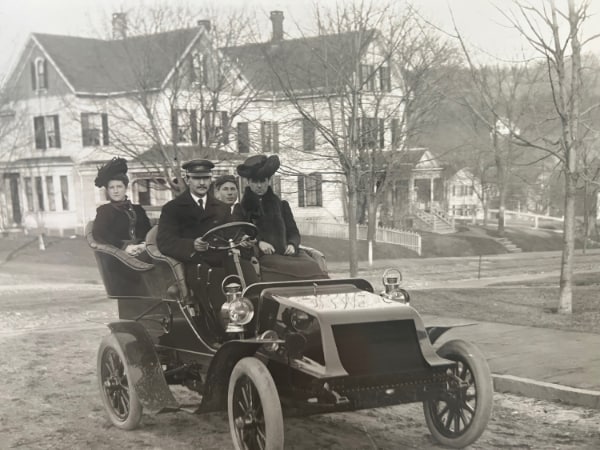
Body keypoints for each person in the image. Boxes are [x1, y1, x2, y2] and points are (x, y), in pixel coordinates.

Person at [156, 159, 259, 325]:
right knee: (217, 286)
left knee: (250, 279)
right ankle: (225, 332)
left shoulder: (221, 207)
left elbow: (232, 236)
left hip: (224, 260)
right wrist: (192, 245)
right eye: (197, 178)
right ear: (187, 179)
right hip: (196, 264)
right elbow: (165, 241)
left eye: (205, 178)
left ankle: (257, 325)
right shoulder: (173, 208)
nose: (202, 182)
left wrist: (244, 242)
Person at [236, 154, 328, 281]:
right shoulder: (241, 208)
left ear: (268, 181)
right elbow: (241, 234)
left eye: (262, 181)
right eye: (255, 182)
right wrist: (259, 242)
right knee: (285, 271)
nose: (259, 186)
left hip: (289, 253)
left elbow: (294, 232)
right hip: (265, 256)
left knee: (312, 266)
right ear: (248, 182)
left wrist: (292, 244)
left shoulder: (281, 205)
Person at [92, 157, 151, 257]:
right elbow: (100, 233)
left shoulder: (138, 209)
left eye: (119, 186)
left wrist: (143, 245)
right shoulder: (104, 211)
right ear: (108, 190)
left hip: (142, 251)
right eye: (111, 187)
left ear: (125, 188)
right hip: (118, 255)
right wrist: (124, 247)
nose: (115, 191)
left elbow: (147, 230)